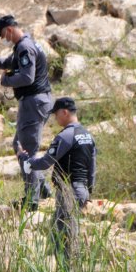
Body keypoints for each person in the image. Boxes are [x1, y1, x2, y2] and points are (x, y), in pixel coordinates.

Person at [0, 14, 53, 211]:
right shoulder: (25, 45)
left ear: (10, 29)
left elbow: (27, 78)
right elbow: (9, 63)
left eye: (4, 34)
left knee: (26, 149)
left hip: (34, 101)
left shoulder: (24, 47)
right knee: (19, 144)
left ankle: (32, 200)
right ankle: (43, 190)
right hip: (36, 102)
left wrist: (5, 81)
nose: (4, 38)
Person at [22, 97, 96, 260]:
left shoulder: (66, 136)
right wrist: (88, 193)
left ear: (65, 112)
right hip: (81, 190)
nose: (56, 118)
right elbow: (92, 170)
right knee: (68, 233)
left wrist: (29, 162)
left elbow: (46, 162)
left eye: (56, 115)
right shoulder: (88, 136)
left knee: (62, 236)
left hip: (68, 190)